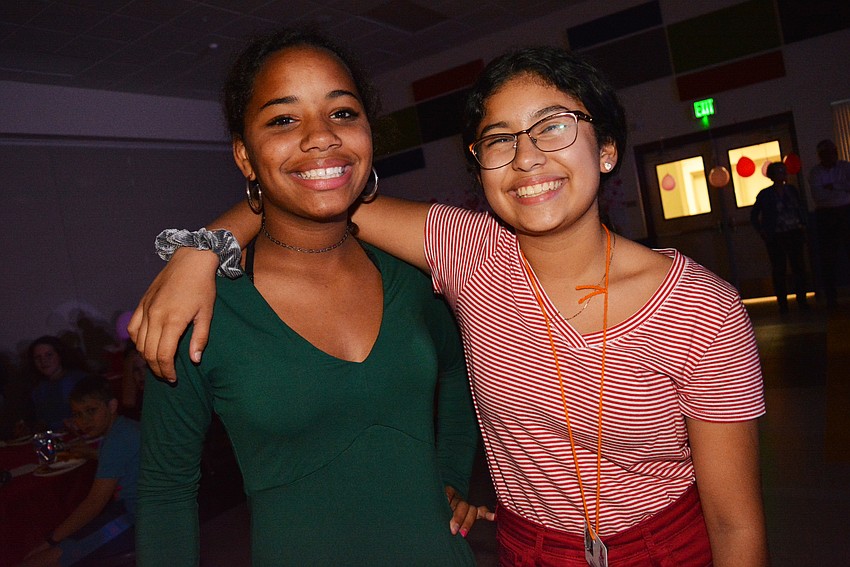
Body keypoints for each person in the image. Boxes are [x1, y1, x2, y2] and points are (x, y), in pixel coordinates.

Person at [131, 46, 768, 566]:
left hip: (663, 549)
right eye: (499, 140)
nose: (527, 158)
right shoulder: (467, 254)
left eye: (553, 127)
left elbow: (736, 523)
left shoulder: (703, 307)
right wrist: (200, 250)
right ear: (479, 168)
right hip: (525, 551)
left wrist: (200, 246)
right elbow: (312, 192)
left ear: (605, 148)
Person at [134, 29, 481, 567]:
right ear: (245, 156)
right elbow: (165, 493)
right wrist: (199, 252)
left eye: (342, 113)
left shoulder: (414, 272)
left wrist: (451, 473)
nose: (321, 136)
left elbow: (462, 373)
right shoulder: (199, 307)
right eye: (283, 119)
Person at [20, 375, 139, 567]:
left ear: (112, 406)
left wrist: (51, 540)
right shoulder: (124, 428)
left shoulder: (117, 440)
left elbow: (94, 503)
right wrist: (93, 453)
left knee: (35, 562)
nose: (85, 420)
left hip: (138, 518)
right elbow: (124, 461)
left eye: (91, 410)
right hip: (135, 508)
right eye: (78, 414)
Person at [750, 161, 809, 313]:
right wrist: (762, 231)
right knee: (779, 269)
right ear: (772, 175)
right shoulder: (765, 194)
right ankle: (782, 303)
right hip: (776, 235)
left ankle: (802, 300)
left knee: (798, 267)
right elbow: (754, 215)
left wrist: (803, 225)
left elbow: (800, 208)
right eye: (779, 171)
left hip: (794, 232)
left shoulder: (792, 190)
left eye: (784, 171)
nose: (783, 174)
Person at [809, 139, 850, 307]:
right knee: (828, 257)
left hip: (846, 211)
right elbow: (818, 196)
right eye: (826, 153)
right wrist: (842, 188)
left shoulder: (845, 167)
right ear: (821, 156)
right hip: (826, 215)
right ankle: (831, 298)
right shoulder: (815, 172)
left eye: (832, 152)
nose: (830, 156)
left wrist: (832, 186)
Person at [21, 336, 88, 434]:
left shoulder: (78, 380)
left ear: (60, 355)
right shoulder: (38, 390)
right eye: (38, 357)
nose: (43, 361)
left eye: (49, 355)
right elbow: (42, 421)